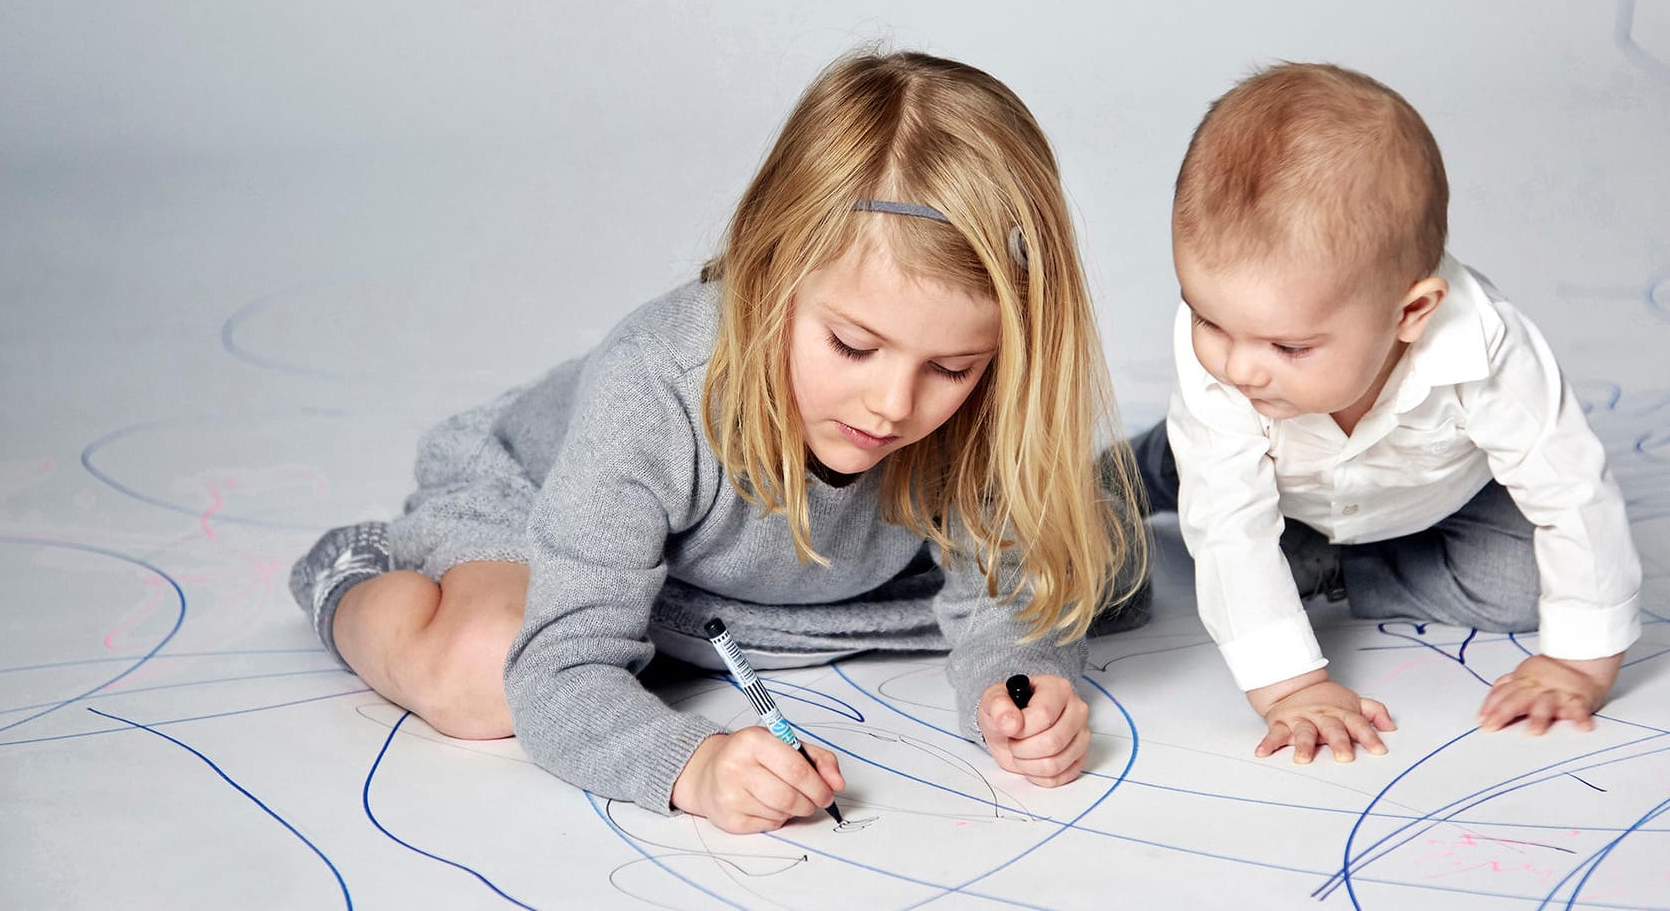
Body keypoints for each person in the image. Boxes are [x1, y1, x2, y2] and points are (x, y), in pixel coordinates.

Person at [288, 50, 1147, 832]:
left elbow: (1007, 599)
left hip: (775, 583)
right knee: (483, 674)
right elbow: (563, 672)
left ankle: (1162, 466)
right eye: (852, 346)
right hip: (543, 502)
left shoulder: (983, 396)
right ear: (767, 270)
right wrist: (693, 767)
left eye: (952, 368)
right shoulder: (654, 382)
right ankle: (355, 576)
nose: (892, 405)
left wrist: (1016, 691)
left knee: (1096, 554)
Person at [1129, 61, 1640, 765]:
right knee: (1184, 478)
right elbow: (1228, 526)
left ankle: (1335, 568)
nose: (1239, 365)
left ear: (1411, 312)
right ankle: (1127, 472)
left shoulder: (1487, 345)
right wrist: (1293, 688)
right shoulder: (1231, 369)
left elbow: (1570, 488)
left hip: (1426, 499)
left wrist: (1580, 663)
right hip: (1263, 473)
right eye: (1207, 319)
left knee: (1522, 585)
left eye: (1289, 344)